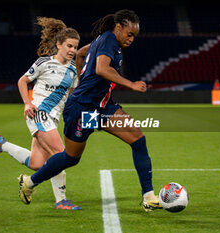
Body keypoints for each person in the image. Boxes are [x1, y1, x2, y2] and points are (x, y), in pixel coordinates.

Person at [18, 9, 162, 212]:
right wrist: (130, 84)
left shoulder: (105, 41)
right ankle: (30, 183)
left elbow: (80, 54)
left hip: (102, 106)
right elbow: (103, 69)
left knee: (138, 139)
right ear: (118, 27)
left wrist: (80, 80)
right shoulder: (109, 40)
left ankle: (148, 196)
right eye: (129, 34)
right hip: (82, 108)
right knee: (70, 158)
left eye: (134, 36)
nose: (132, 39)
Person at [0, 17, 81, 210]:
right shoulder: (44, 63)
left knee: (37, 164)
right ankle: (61, 201)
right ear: (58, 44)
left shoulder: (73, 71)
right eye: (69, 46)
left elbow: (70, 97)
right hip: (39, 113)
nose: (72, 50)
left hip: (53, 118)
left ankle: (2, 145)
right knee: (61, 155)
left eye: (75, 47)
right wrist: (27, 103)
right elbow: (22, 81)